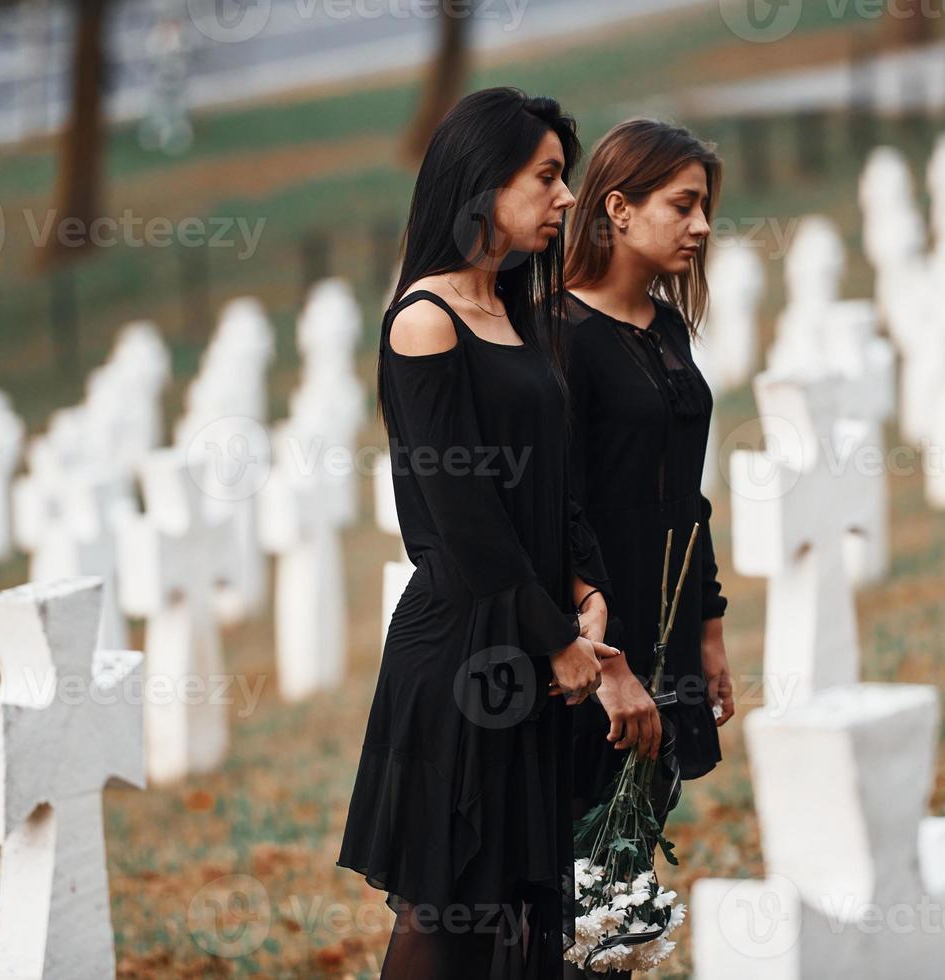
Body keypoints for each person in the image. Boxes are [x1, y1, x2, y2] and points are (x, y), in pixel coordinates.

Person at [335, 87, 621, 980]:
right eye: (546, 177)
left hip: (534, 637)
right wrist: (557, 643)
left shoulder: (519, 311)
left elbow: (554, 479)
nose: (566, 198)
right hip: (463, 653)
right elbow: (464, 522)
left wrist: (589, 588)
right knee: (449, 910)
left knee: (520, 917)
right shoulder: (426, 322)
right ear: (480, 186)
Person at [561, 120, 737, 978]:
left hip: (670, 627)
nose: (702, 225)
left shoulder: (668, 327)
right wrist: (605, 658)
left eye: (706, 206)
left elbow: (686, 497)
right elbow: (558, 510)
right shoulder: (560, 336)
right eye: (685, 204)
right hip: (599, 634)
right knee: (580, 857)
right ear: (619, 208)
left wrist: (709, 627)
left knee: (629, 853)